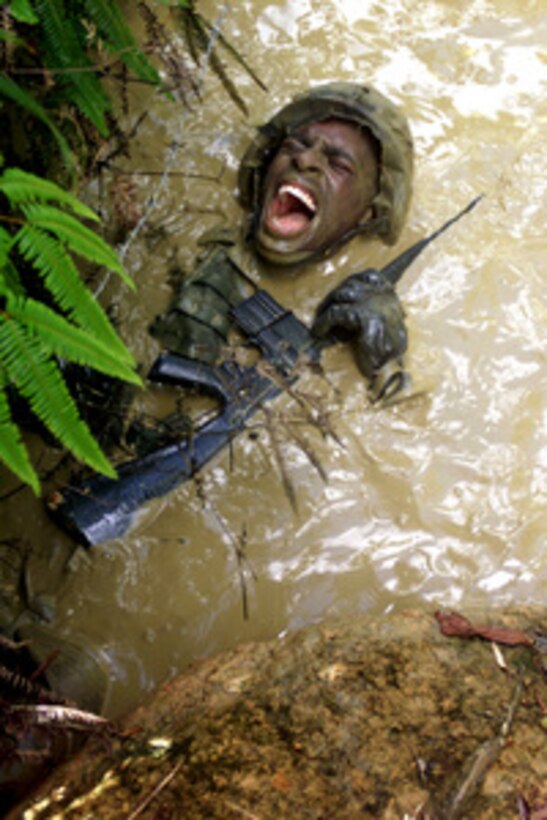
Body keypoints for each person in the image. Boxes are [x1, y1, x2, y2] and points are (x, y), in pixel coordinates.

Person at [150, 82, 414, 398]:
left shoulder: (377, 291)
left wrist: (387, 367)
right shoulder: (192, 229)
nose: (305, 161)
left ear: (368, 213)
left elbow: (411, 432)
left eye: (338, 164)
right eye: (297, 144)